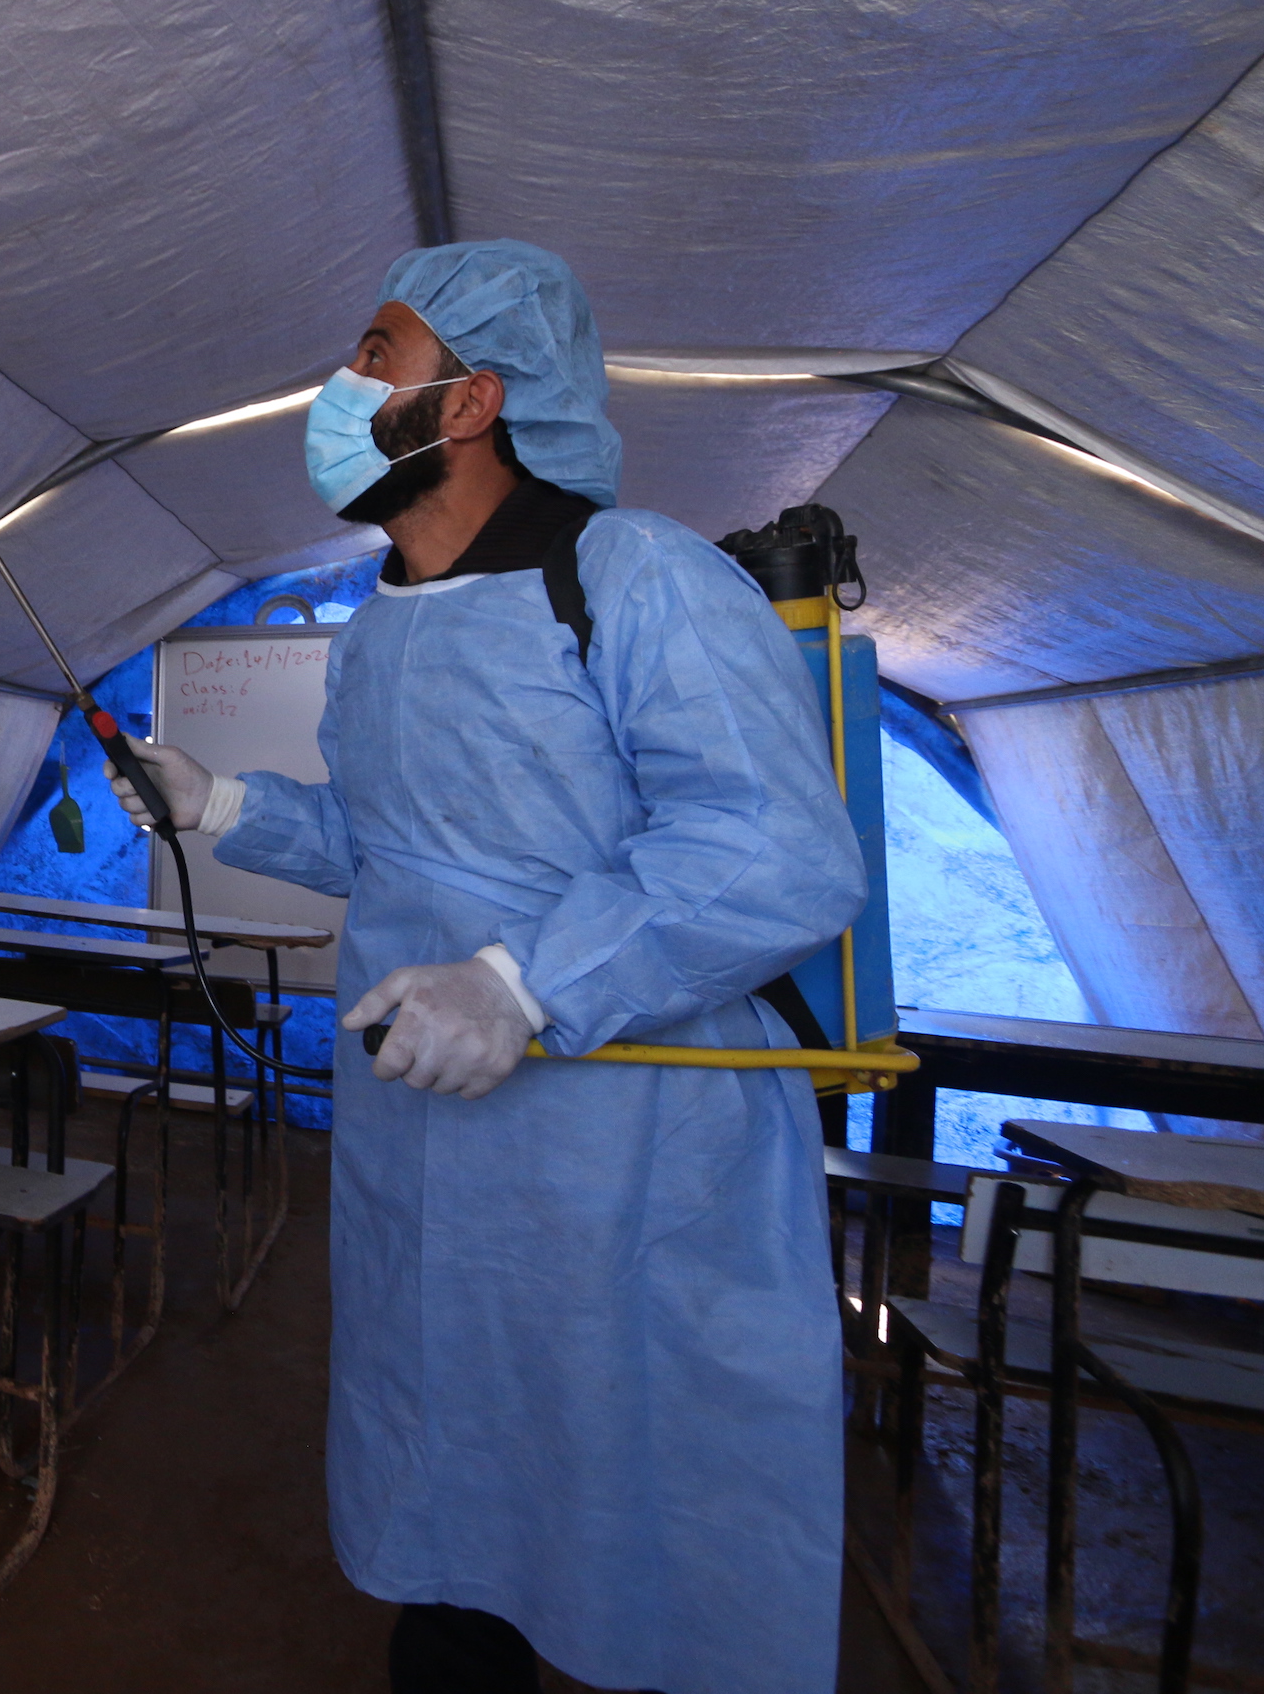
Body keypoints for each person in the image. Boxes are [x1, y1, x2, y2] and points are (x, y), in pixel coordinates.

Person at [107, 241, 864, 1694]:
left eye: (373, 356)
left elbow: (777, 848)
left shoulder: (631, 571)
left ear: (472, 401)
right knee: (450, 1479)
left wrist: (525, 985)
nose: (341, 390)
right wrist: (223, 809)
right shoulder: (379, 620)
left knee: (626, 1484)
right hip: (424, 1149)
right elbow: (410, 858)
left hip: (625, 1152)